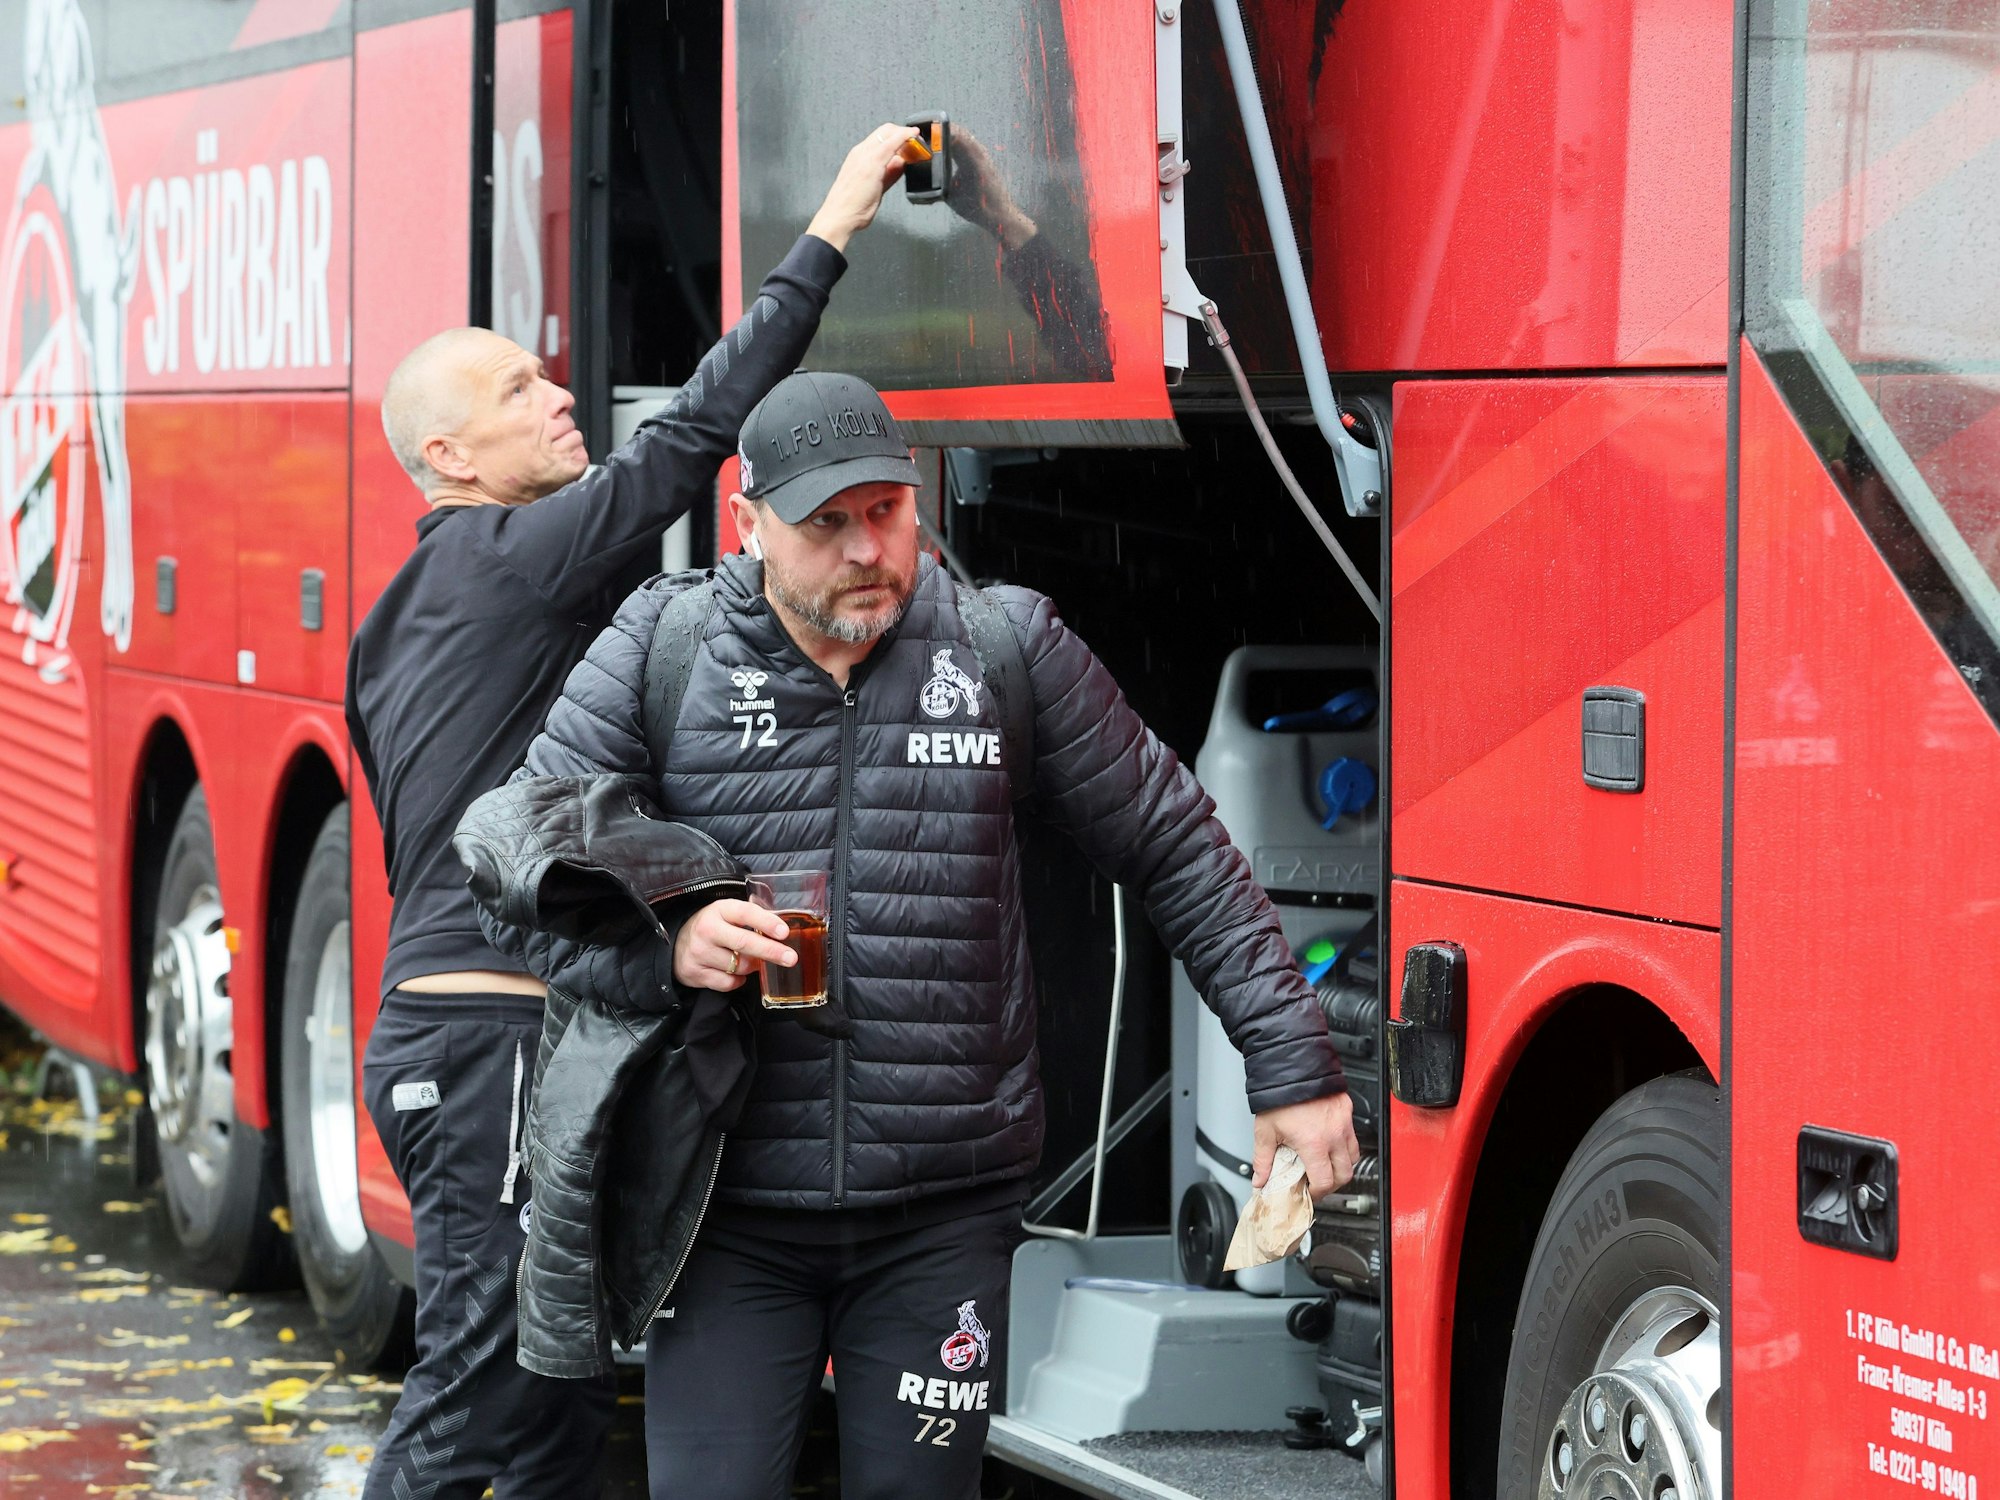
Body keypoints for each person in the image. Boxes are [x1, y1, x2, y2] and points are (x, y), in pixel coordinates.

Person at [494, 369, 1360, 1500]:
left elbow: (1176, 846)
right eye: (826, 524)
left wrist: (1288, 1062)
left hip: (943, 1214)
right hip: (728, 1208)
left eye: (885, 512)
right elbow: (520, 874)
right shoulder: (662, 648)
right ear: (745, 523)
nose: (866, 550)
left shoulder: (1004, 648)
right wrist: (668, 947)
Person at [342, 124, 918, 1500]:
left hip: (459, 1037)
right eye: (516, 390)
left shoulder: (392, 619)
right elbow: (694, 438)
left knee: (551, 1413)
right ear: (448, 455)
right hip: (487, 1048)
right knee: (474, 1395)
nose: (556, 397)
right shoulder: (513, 561)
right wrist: (831, 224)